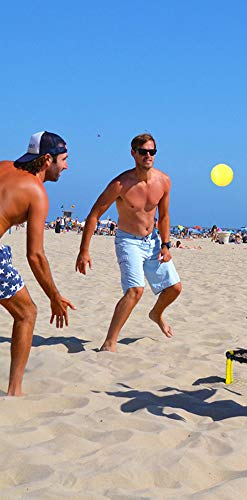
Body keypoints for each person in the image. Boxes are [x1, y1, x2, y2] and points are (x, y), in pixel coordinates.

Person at [75, 133, 182, 352]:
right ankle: (109, 343)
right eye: (143, 152)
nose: (148, 156)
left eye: (152, 152)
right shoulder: (120, 184)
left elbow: (163, 216)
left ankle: (156, 314)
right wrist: (84, 250)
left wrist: (166, 244)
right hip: (128, 241)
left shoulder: (164, 181)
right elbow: (94, 215)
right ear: (133, 153)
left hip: (152, 241)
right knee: (135, 290)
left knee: (175, 288)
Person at [0, 131, 75, 395]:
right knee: (26, 313)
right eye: (63, 160)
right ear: (47, 160)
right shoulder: (37, 192)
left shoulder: (4, 166)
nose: (66, 166)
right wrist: (54, 296)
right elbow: (35, 255)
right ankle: (14, 390)